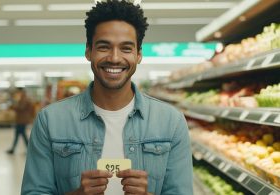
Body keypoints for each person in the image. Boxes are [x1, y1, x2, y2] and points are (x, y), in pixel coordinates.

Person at [21, 0, 193, 194]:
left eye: (126, 48)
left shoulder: (171, 122)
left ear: (139, 55)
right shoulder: (50, 120)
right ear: (88, 51)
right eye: (104, 47)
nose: (114, 58)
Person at [7, 88, 33, 154]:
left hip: (22, 120)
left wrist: (13, 107)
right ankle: (13, 149)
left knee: (21, 134)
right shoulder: (23, 99)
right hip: (21, 120)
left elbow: (21, 108)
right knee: (19, 135)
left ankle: (14, 149)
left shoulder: (23, 99)